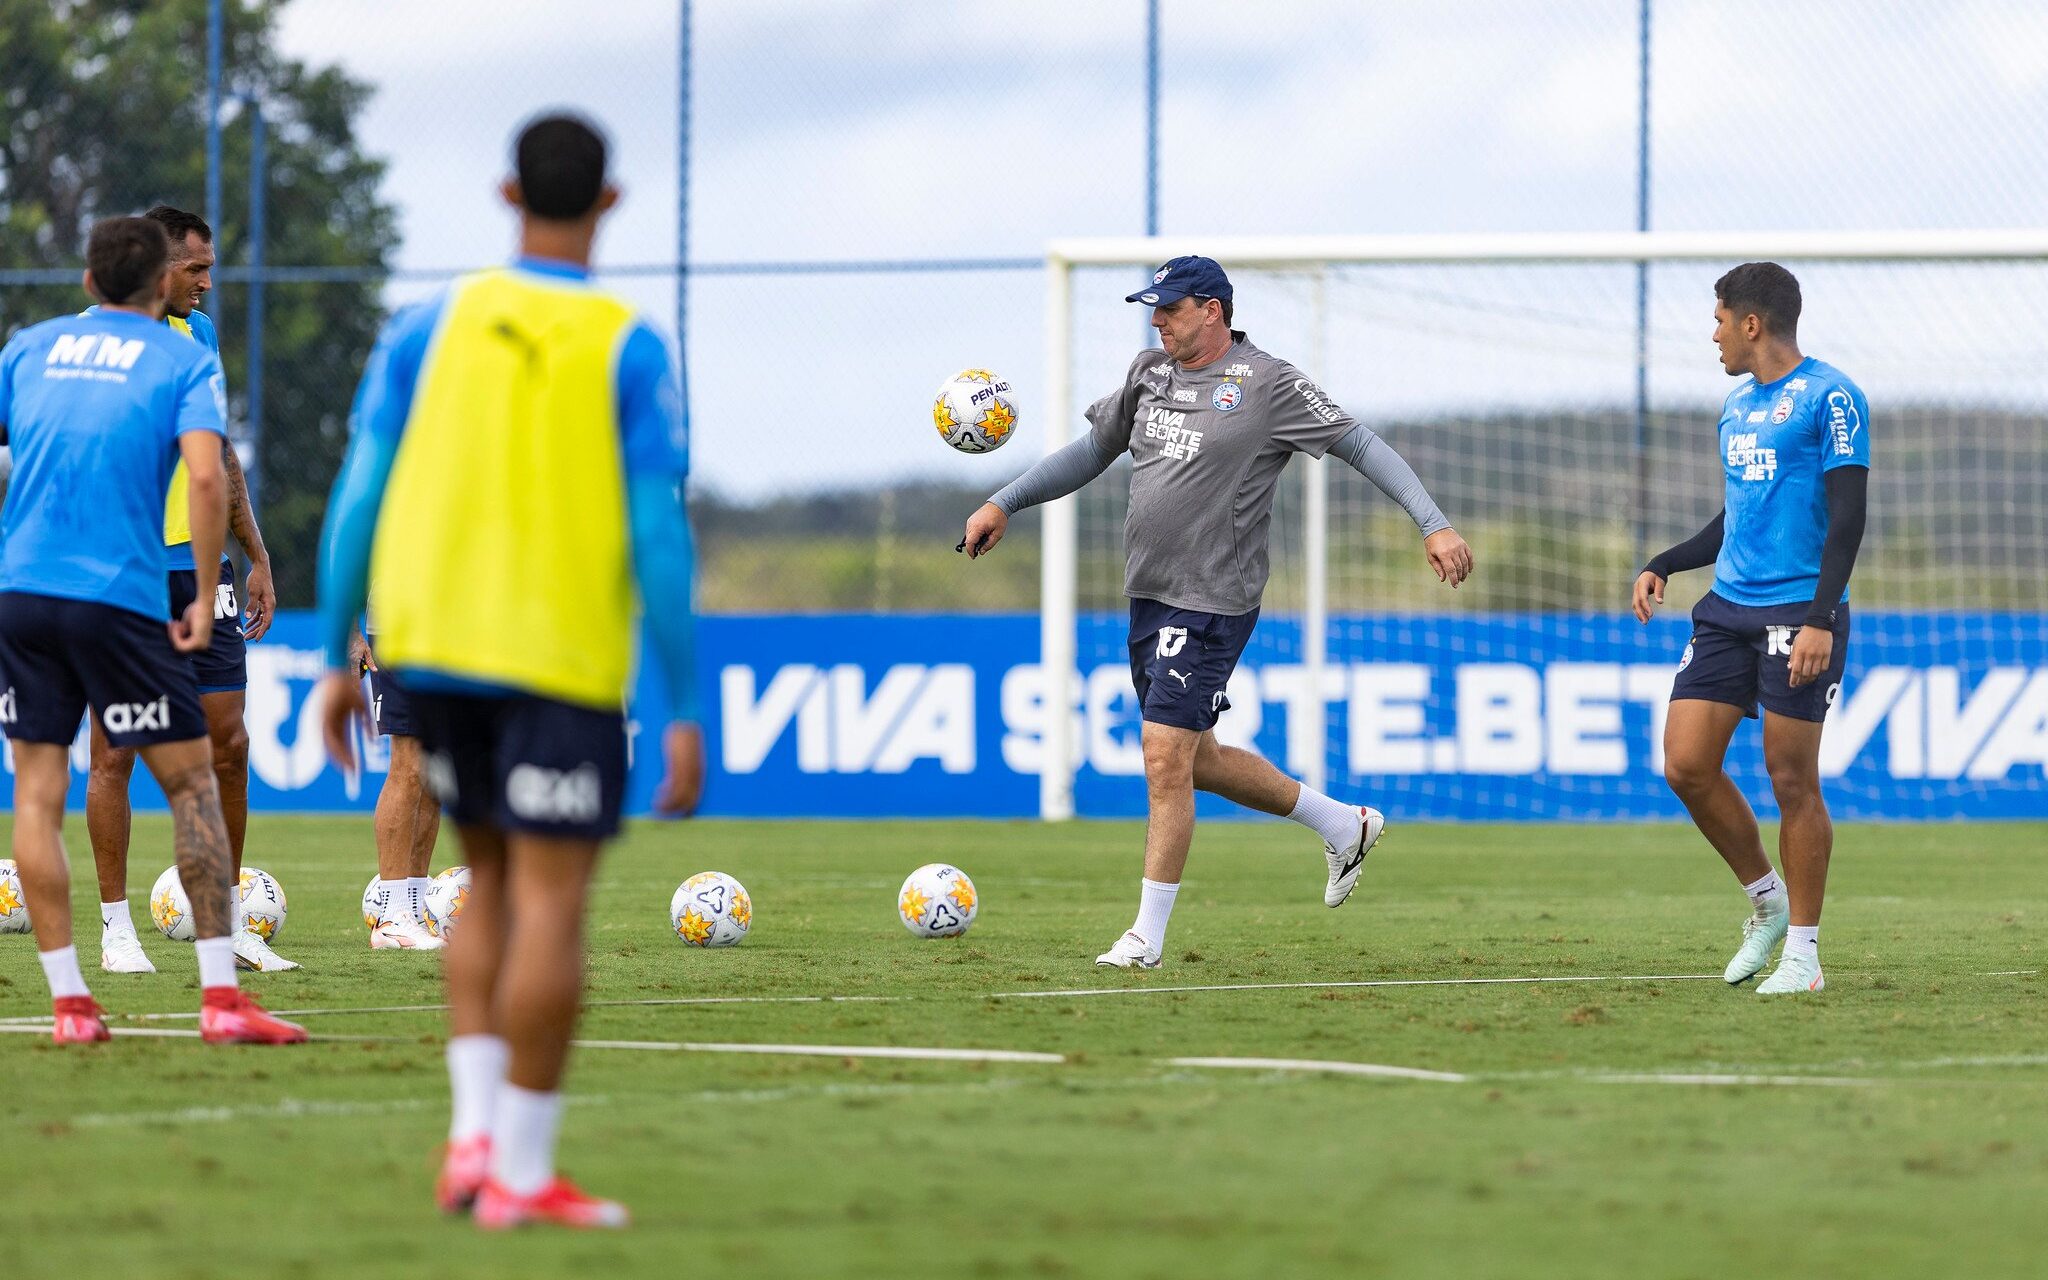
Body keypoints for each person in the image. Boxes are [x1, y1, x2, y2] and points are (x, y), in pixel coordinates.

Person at [316, 112, 703, 1228]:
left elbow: (360, 487)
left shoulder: (425, 325)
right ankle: (520, 1173)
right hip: (555, 655)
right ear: (611, 201)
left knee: (482, 881)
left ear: (504, 192)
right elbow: (657, 528)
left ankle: (470, 1135)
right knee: (546, 903)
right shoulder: (627, 344)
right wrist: (679, 696)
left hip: (432, 643)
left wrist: (332, 648)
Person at [961, 255, 1473, 969]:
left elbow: (1361, 445)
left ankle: (1145, 937)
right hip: (1149, 595)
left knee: (1162, 755)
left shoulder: (1268, 384)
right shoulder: (1149, 373)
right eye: (1154, 308)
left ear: (1212, 310)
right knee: (1195, 757)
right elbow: (1091, 452)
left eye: (1169, 308)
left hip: (1211, 600)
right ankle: (1344, 826)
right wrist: (1003, 499)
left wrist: (1433, 522)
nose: (1157, 319)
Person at [0, 215, 305, 1045]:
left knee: (33, 791)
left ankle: (68, 1005)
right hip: (122, 593)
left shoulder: (27, 349)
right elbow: (207, 475)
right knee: (191, 783)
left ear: (89, 283)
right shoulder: (176, 357)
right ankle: (219, 999)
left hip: (23, 592)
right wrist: (209, 591)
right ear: (159, 280)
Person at [1632, 262, 1869, 996]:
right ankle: (1765, 904)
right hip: (1726, 610)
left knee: (1791, 779)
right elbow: (1738, 515)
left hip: (1800, 613)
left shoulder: (1832, 397)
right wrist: (1667, 562)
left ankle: (1803, 954)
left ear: (1752, 323)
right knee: (1685, 764)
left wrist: (1821, 618)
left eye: (1719, 321)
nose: (1714, 335)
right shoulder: (1735, 409)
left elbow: (1849, 516)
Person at [84, 204, 291, 975]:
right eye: (194, 269)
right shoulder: (89, 344)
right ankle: (114, 928)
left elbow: (218, 452)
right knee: (117, 749)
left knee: (227, 746)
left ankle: (228, 921)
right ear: (151, 264)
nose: (206, 284)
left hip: (203, 571)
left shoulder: (197, 337)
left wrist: (257, 553)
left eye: (211, 268)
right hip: (124, 570)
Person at [354, 622, 444, 950]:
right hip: (403, 625)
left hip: (456, 627)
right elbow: (342, 567)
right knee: (410, 765)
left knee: (435, 771)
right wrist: (352, 634)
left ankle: (415, 907)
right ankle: (392, 916)